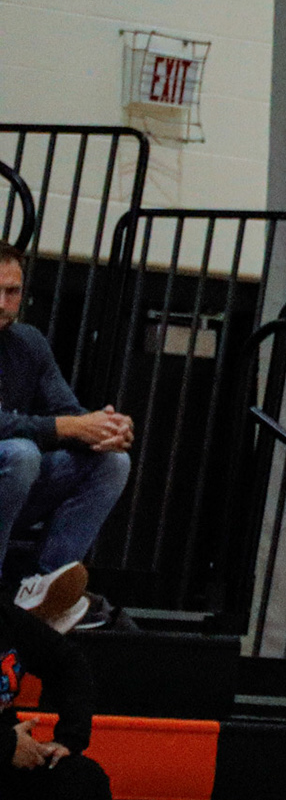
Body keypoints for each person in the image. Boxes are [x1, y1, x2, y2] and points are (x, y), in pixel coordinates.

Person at [0, 242, 133, 634]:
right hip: (13, 466)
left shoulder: (28, 342)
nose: (3, 303)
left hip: (13, 487)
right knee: (22, 454)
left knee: (112, 461)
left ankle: (46, 589)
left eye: (12, 291)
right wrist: (68, 427)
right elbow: (60, 425)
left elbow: (67, 411)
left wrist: (107, 427)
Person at [1, 599, 111, 800]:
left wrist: (70, 738)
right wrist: (7, 745)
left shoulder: (6, 617)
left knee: (85, 782)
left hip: (8, 756)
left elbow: (69, 662)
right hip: (7, 746)